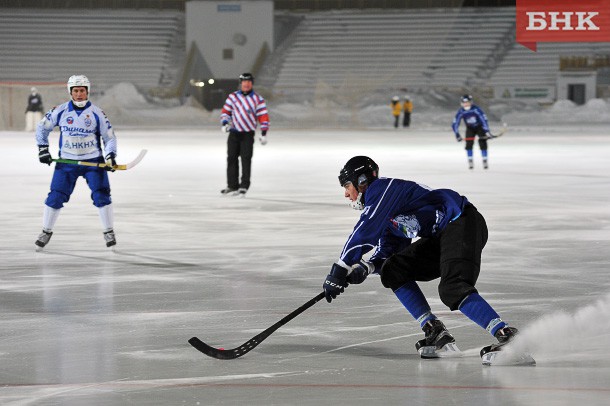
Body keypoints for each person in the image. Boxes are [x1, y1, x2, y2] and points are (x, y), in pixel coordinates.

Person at [322, 156, 525, 364]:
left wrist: (340, 269)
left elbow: (366, 230)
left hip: (462, 222)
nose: (346, 194)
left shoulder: (382, 189)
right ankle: (435, 332)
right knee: (394, 269)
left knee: (452, 287)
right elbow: (387, 255)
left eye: (347, 186)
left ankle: (507, 336)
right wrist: (366, 268)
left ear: (362, 181)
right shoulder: (385, 208)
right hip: (443, 236)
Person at [35, 75, 118, 249]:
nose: (79, 94)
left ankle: (108, 231)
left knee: (101, 195)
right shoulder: (60, 110)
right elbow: (42, 127)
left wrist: (110, 156)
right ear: (70, 92)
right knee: (56, 196)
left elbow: (109, 137)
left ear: (87, 92)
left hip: (93, 163)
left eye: (82, 90)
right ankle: (46, 231)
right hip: (66, 163)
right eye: (76, 91)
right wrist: (43, 149)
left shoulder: (97, 113)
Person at [219, 73, 269, 197]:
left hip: (247, 134)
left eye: (249, 82)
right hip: (234, 133)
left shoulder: (258, 99)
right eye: (244, 82)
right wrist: (225, 123)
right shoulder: (233, 97)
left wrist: (264, 132)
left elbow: (263, 116)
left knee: (246, 159)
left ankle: (244, 186)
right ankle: (232, 185)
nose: (246, 84)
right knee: (231, 158)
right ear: (241, 83)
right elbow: (226, 111)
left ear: (252, 83)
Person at [452, 94, 492, 170]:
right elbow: (455, 123)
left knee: (482, 142)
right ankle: (470, 160)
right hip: (470, 128)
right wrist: (457, 134)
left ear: (471, 102)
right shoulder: (461, 111)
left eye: (467, 102)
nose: (466, 104)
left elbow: (484, 120)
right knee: (469, 144)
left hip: (479, 127)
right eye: (464, 103)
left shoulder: (476, 109)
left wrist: (487, 131)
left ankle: (485, 160)